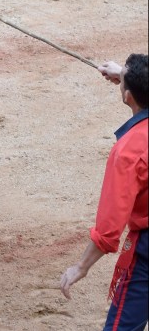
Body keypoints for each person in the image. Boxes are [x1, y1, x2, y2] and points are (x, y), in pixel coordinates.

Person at [60, 53, 148, 331]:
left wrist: (81, 266)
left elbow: (110, 228)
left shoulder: (128, 151)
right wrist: (123, 74)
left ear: (128, 97)